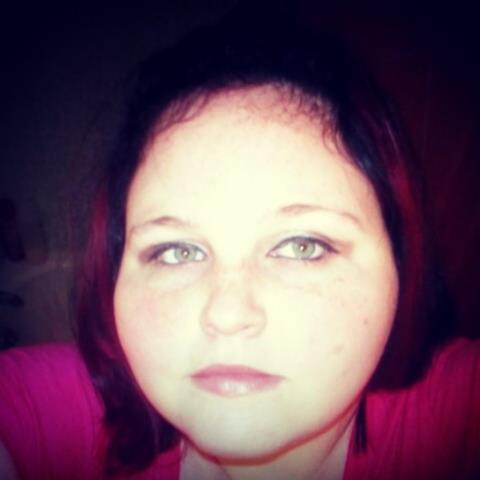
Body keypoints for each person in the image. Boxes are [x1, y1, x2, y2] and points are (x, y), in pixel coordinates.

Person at [1, 5, 479, 480]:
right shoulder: (45, 412)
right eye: (177, 251)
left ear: (400, 263)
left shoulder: (455, 418)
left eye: (302, 246)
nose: (227, 316)